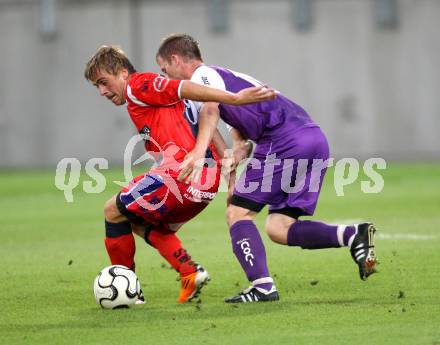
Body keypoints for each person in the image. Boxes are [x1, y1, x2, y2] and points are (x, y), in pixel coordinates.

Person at [156, 34, 378, 303]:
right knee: (278, 227)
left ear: (176, 59)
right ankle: (353, 234)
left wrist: (198, 151)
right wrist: (236, 159)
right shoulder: (226, 81)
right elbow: (234, 129)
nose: (166, 77)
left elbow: (210, 112)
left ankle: (262, 287)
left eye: (164, 69)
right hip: (314, 139)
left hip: (284, 141)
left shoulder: (202, 76)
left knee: (237, 215)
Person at [84, 45, 276, 303]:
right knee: (139, 223)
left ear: (122, 73)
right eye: (97, 86)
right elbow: (208, 125)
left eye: (104, 82)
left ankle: (127, 289)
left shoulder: (138, 85)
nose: (102, 92)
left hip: (179, 176)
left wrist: (235, 98)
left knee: (112, 211)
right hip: (205, 184)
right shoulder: (159, 103)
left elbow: (183, 88)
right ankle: (189, 271)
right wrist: (231, 180)